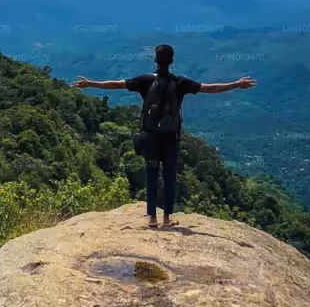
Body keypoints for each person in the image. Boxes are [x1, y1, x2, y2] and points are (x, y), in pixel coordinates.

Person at [71, 44, 256, 229]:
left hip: (150, 137)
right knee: (169, 177)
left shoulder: (145, 81)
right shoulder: (180, 83)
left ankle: (152, 218)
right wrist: (236, 84)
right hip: (171, 138)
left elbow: (116, 84)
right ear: (172, 60)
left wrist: (90, 83)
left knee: (151, 175)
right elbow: (209, 88)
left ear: (155, 60)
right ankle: (167, 218)